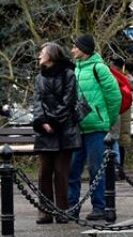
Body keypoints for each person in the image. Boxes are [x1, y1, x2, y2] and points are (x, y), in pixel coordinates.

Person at [67, 34, 122, 221]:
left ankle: (100, 206)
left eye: (75, 47)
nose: (72, 50)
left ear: (83, 49)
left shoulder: (100, 68)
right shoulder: (76, 70)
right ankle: (71, 206)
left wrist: (105, 119)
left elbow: (114, 97)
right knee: (73, 170)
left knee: (96, 169)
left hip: (96, 128)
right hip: (78, 128)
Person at [31, 42, 82, 224]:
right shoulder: (39, 78)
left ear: (51, 55)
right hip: (45, 132)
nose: (39, 56)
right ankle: (45, 211)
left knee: (61, 173)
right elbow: (37, 102)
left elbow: (68, 102)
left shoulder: (68, 74)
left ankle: (62, 211)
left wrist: (53, 121)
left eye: (42, 52)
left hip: (64, 130)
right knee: (44, 172)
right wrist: (43, 122)